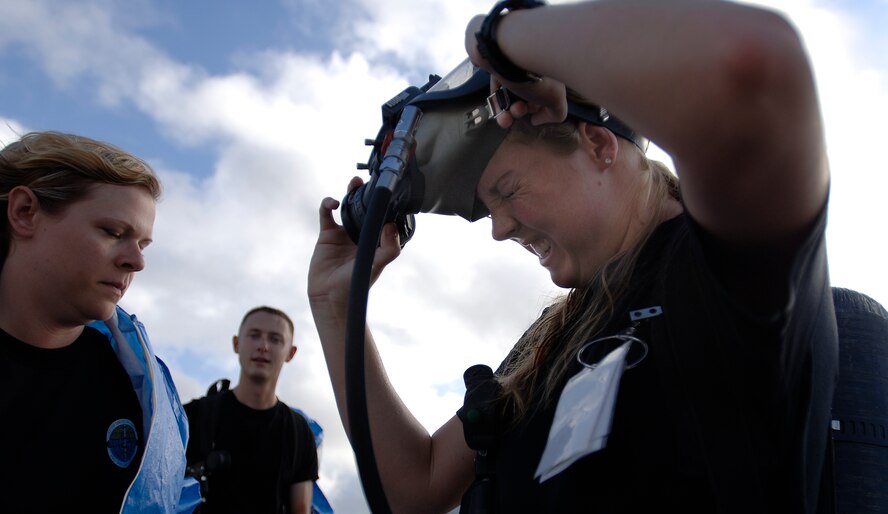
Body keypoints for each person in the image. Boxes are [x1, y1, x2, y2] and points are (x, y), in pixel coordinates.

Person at [308, 0, 838, 513]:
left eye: (508, 191)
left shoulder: (722, 265)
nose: (498, 230)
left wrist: (499, 37)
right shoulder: (554, 337)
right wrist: (334, 307)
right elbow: (411, 491)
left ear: (598, 145)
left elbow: (751, 65)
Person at [0, 131, 200, 513]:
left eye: (143, 244)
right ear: (25, 212)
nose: (137, 262)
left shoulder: (144, 392)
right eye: (113, 232)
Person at [184, 306, 320, 514]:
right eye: (254, 336)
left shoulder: (299, 432)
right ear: (237, 343)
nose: (263, 346)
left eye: (275, 339)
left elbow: (300, 509)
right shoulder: (194, 417)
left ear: (290, 353)